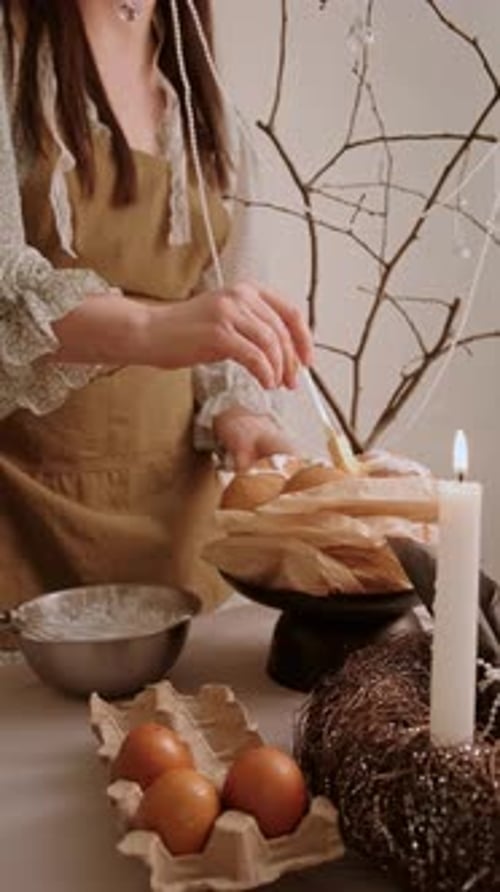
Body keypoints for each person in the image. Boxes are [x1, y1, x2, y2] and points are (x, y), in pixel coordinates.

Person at [0, 0, 313, 612]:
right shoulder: (11, 55)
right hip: (21, 519)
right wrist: (152, 326)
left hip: (177, 533)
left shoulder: (203, 97)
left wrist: (245, 422)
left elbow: (223, 294)